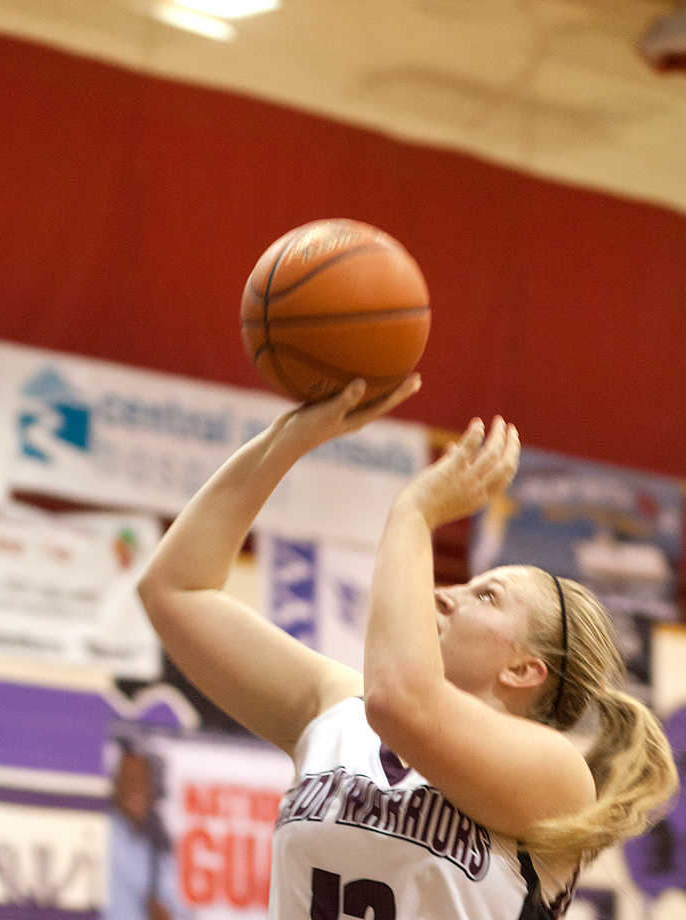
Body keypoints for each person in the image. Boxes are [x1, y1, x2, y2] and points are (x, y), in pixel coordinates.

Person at [137, 376, 678, 919]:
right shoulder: (335, 709)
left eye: (485, 596)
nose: (443, 595)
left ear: (522, 669)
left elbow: (400, 702)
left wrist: (415, 513)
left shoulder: (557, 775)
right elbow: (175, 592)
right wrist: (286, 440)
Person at [106, 738, 189, 920]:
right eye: (129, 779)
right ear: (115, 784)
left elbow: (176, 907)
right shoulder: (105, 832)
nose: (136, 788)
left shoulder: (156, 845)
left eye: (144, 781)